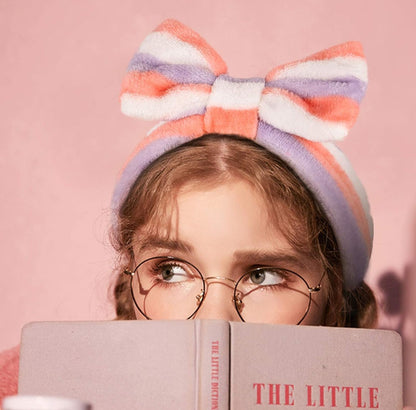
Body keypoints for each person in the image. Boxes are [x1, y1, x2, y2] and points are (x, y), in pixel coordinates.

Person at [0, 18, 377, 402]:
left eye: (263, 276)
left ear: (333, 296)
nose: (213, 319)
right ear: (129, 284)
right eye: (170, 271)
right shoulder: (27, 386)